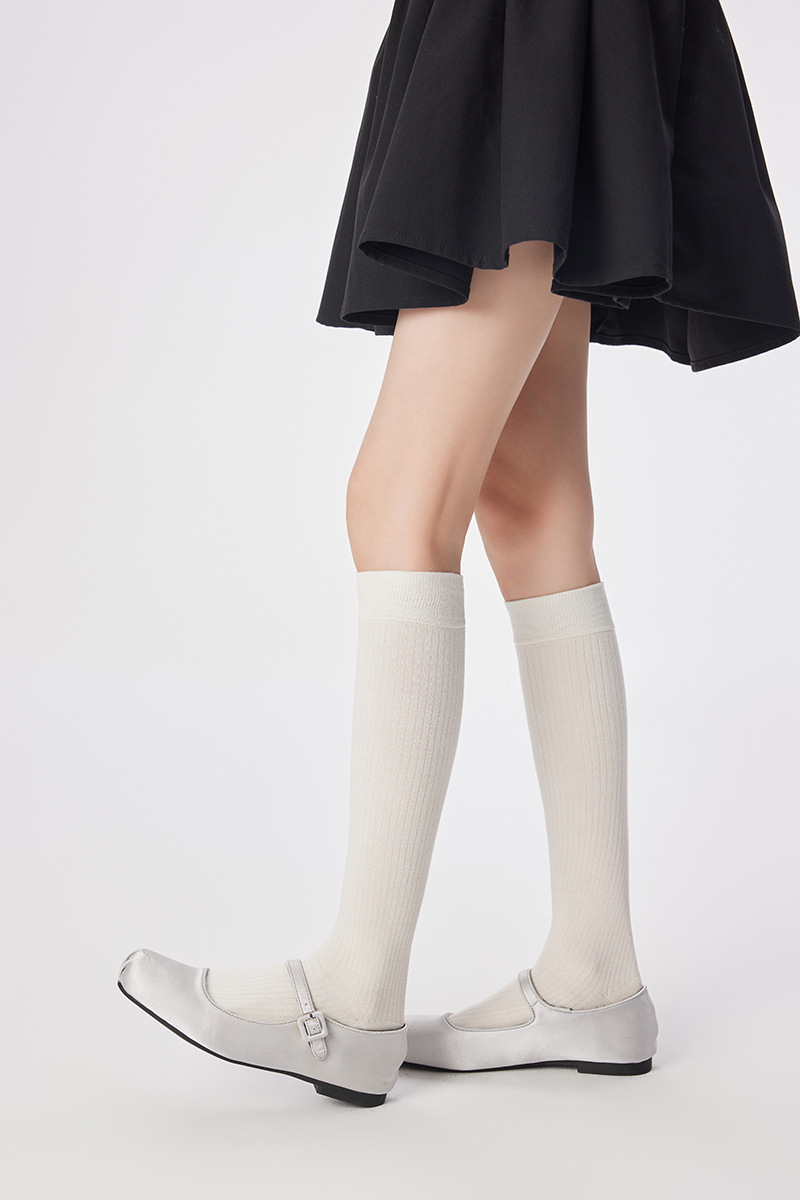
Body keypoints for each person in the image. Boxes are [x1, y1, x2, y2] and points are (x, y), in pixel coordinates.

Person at [118, 0, 800, 1107]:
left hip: (528, 24)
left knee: (399, 496)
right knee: (528, 502)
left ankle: (350, 996)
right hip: (574, 25)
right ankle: (592, 974)